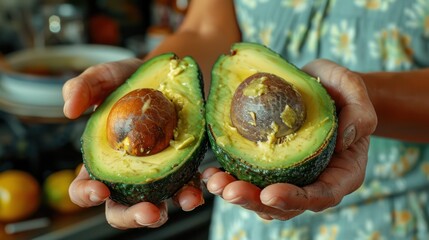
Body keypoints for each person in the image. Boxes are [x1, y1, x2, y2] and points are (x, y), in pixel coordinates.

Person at [63, 1, 429, 239]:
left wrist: (356, 98)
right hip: (245, 222)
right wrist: (158, 77)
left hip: (393, 220)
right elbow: (209, 28)